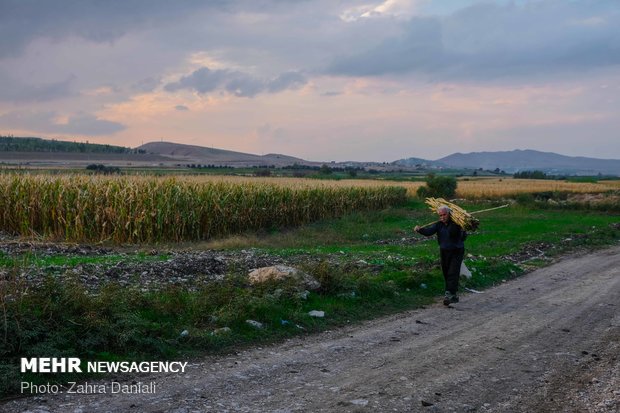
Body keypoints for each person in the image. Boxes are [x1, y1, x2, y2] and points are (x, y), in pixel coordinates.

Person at [414, 205, 467, 306]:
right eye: (440, 215)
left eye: (444, 215)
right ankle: (453, 295)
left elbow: (455, 234)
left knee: (452, 272)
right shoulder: (439, 225)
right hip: (444, 251)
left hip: (456, 251)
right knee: (446, 272)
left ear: (449, 214)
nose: (442, 217)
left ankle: (449, 294)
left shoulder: (456, 224)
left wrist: (457, 224)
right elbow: (429, 232)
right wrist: (420, 229)